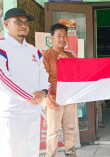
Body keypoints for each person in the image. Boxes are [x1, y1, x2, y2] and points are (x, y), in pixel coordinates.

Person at [0, 8, 49, 157]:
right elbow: (3, 78)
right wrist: (29, 97)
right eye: (18, 21)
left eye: (26, 22)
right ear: (6, 24)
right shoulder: (2, 47)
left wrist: (43, 92)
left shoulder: (34, 51)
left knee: (31, 152)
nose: (23, 25)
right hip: (13, 113)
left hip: (33, 111)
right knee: (12, 152)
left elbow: (43, 73)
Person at [43, 23, 80, 157]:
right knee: (53, 131)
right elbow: (42, 78)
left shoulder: (70, 55)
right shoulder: (46, 55)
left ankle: (70, 153)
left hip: (69, 98)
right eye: (59, 36)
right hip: (54, 98)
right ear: (52, 37)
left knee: (69, 129)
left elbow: (76, 76)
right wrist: (47, 100)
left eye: (65, 36)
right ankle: (51, 155)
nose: (62, 39)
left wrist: (67, 64)